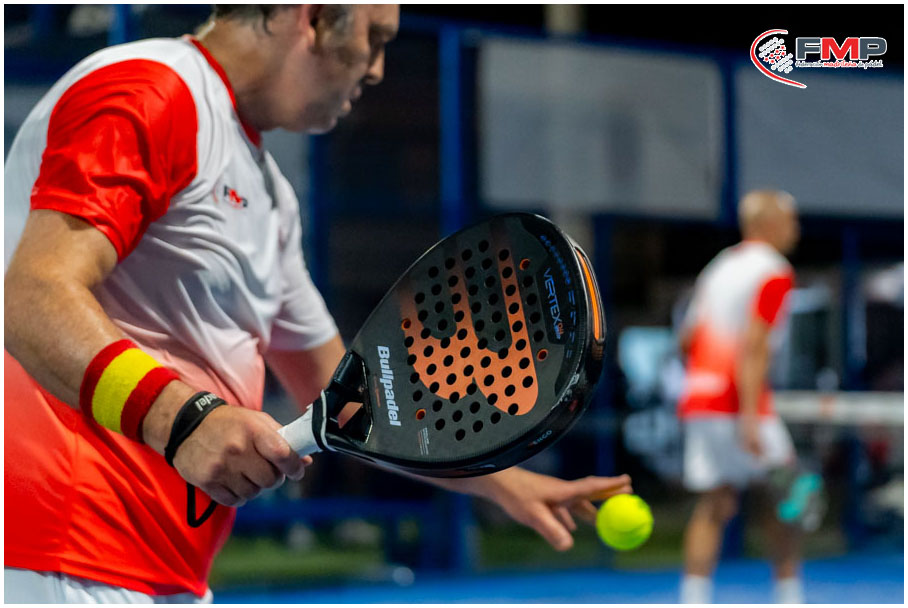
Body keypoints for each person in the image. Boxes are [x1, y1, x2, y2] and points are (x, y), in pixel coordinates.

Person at [4, 5, 631, 603]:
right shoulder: (152, 91)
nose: (377, 68)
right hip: (55, 551)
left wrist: (508, 485)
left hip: (147, 569)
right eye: (374, 37)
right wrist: (183, 420)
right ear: (312, 16)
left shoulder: (269, 194)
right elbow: (31, 296)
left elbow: (362, 401)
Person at [676, 190, 803, 604]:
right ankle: (790, 594)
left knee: (713, 504)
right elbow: (755, 344)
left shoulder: (719, 266)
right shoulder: (774, 270)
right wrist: (749, 415)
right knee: (789, 494)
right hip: (740, 403)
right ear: (771, 224)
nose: (796, 229)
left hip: (700, 398)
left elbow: (687, 339)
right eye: (791, 220)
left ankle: (693, 597)